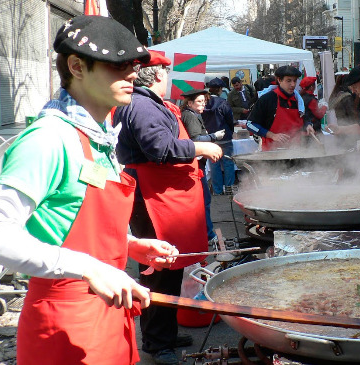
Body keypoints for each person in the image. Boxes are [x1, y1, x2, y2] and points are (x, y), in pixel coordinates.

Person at [0, 16, 179, 364]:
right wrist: (89, 267)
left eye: (133, 65)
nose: (132, 74)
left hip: (110, 315)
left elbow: (62, 219)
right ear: (76, 67)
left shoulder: (99, 137)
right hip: (64, 323)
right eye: (118, 65)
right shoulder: (48, 139)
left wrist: (128, 245)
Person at [114, 51, 223, 365]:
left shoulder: (148, 102)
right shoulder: (142, 105)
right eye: (167, 71)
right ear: (159, 74)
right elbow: (160, 148)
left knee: (171, 267)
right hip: (153, 197)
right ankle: (158, 345)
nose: (170, 77)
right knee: (158, 270)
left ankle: (165, 333)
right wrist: (200, 147)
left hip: (165, 195)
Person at [180, 88, 224, 244]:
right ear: (190, 103)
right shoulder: (190, 116)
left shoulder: (192, 114)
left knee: (203, 200)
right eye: (199, 101)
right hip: (195, 164)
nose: (203, 104)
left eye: (204, 101)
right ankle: (208, 235)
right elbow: (196, 138)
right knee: (203, 200)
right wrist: (213, 136)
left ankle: (205, 232)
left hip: (197, 162)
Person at [247, 66, 314, 150]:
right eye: (288, 81)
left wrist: (308, 125)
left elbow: (305, 119)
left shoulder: (298, 100)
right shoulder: (267, 99)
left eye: (295, 80)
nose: (293, 84)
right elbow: (250, 124)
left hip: (296, 150)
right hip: (272, 152)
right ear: (279, 80)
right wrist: (272, 135)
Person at [203, 78, 236, 195]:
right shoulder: (223, 102)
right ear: (220, 90)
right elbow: (230, 120)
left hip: (210, 138)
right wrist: (231, 132)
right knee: (228, 163)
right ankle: (229, 189)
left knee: (214, 165)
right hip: (225, 137)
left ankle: (217, 190)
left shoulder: (204, 103)